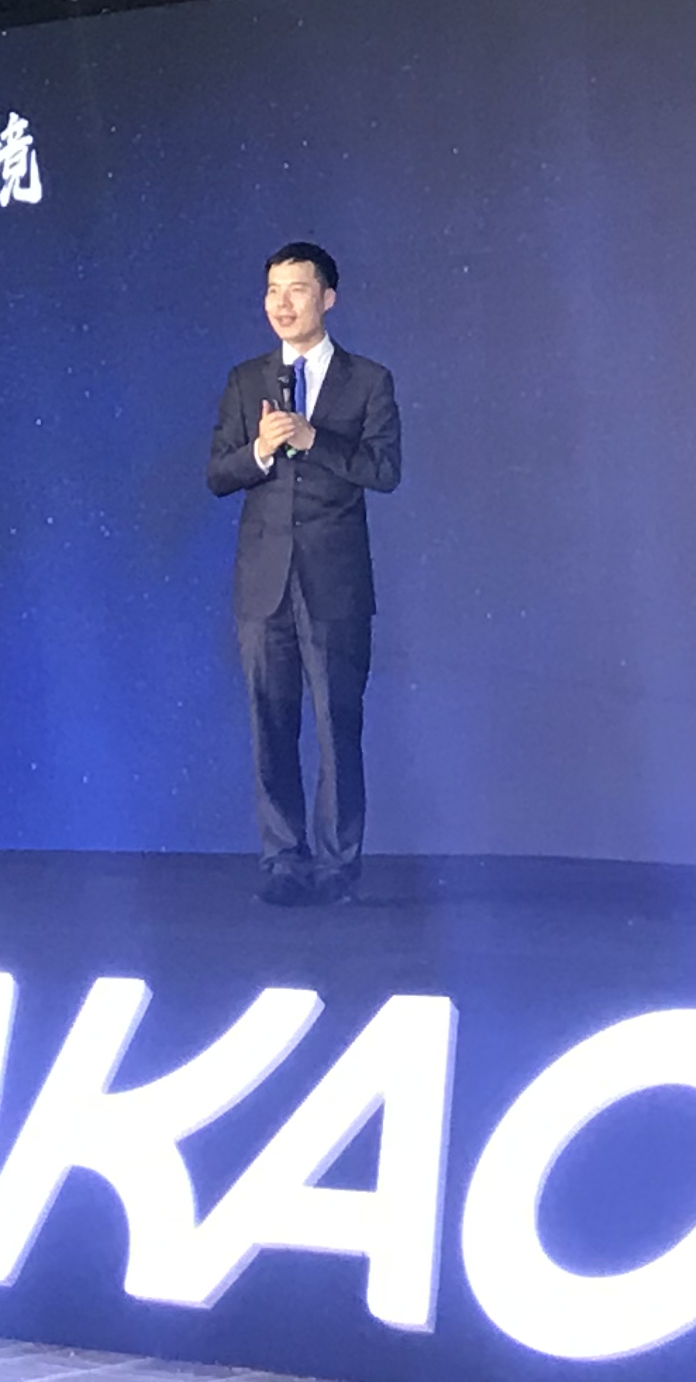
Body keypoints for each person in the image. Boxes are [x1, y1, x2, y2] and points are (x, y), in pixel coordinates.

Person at [203, 240, 403, 905]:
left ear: (328, 298)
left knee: (337, 726)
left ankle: (338, 865)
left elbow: (385, 470)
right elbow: (217, 474)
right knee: (270, 724)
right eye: (272, 290)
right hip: (263, 584)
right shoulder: (245, 381)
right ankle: (282, 862)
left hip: (334, 584)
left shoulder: (368, 380)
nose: (281, 304)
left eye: (296, 289)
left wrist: (316, 440)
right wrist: (260, 450)